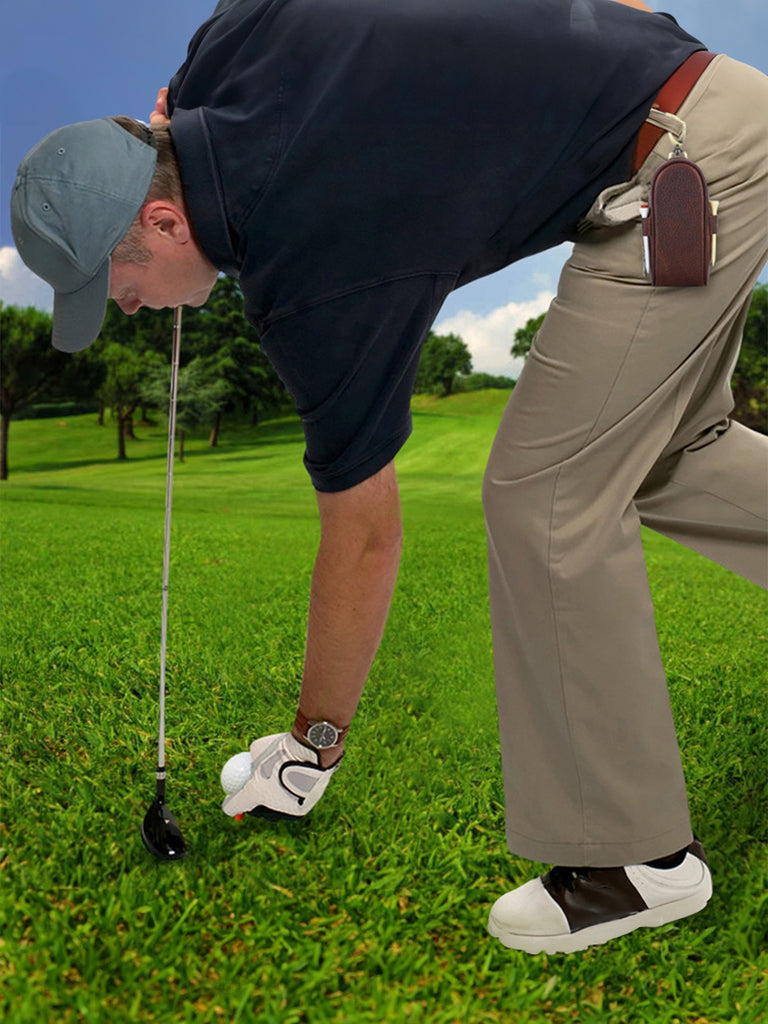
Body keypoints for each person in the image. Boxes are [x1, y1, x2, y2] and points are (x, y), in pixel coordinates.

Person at [10, 0, 767, 955]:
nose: (124, 307)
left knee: (544, 495)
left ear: (162, 217)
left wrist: (311, 748)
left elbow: (365, 533)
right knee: (669, 452)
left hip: (682, 167)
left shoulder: (313, 274)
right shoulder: (221, 48)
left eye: (113, 284)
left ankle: (639, 863)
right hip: (709, 102)